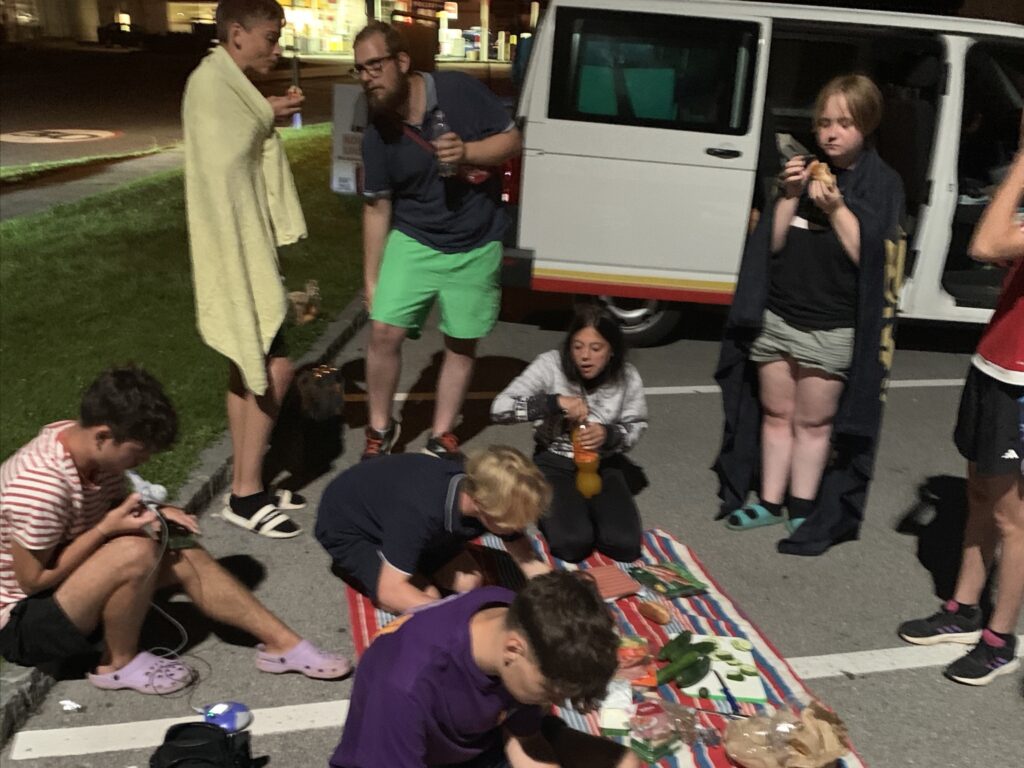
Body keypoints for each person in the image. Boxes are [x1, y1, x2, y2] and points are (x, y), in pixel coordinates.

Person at [0, 367, 351, 694]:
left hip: (65, 588)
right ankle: (117, 665)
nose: (141, 464)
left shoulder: (89, 449)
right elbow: (32, 580)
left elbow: (106, 506)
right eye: (137, 455)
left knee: (176, 544)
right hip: (23, 621)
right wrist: (107, 530)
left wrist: (156, 512)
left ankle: (284, 645)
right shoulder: (41, 487)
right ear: (103, 436)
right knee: (134, 552)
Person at [713, 74, 906, 556]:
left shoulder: (882, 184)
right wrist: (788, 195)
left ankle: (803, 505)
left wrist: (839, 210)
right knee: (777, 414)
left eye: (845, 123)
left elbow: (876, 263)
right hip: (778, 315)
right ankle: (770, 501)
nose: (831, 133)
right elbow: (769, 246)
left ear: (867, 125)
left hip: (833, 325)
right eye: (824, 122)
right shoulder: (797, 169)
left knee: (814, 423)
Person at [354, 21, 523, 460]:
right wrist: (371, 280)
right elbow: (377, 207)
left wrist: (466, 152)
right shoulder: (377, 131)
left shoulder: (458, 91)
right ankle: (379, 428)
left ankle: (441, 434)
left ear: (402, 62)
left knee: (461, 340)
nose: (367, 77)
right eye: (360, 70)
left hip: (476, 238)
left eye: (375, 65)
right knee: (384, 333)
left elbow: (511, 140)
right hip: (415, 239)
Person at [897, 133, 1024, 686]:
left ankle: (1000, 638)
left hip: (1021, 380)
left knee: (1012, 519)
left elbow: (987, 243)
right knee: (977, 495)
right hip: (996, 362)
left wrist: (1021, 163)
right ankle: (965, 608)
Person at [183, 0, 308, 539]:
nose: (275, 48)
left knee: (248, 365)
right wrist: (269, 115)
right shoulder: (210, 86)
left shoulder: (231, 86)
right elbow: (224, 161)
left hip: (247, 247)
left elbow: (242, 143)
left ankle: (245, 479)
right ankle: (245, 493)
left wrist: (265, 113)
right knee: (275, 368)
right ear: (237, 33)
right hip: (235, 254)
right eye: (270, 36)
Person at [328, 571, 641, 768]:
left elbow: (526, 738)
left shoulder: (517, 617)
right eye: (550, 689)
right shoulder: (404, 686)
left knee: (624, 762)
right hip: (415, 757)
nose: (556, 702)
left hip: (485, 739)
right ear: (513, 649)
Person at [491, 306, 647, 563]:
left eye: (596, 349)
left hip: (603, 464)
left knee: (624, 545)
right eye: (577, 347)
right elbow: (499, 409)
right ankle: (559, 508)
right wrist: (553, 403)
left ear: (612, 351)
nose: (585, 356)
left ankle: (590, 511)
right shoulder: (550, 364)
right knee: (572, 544)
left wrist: (608, 434)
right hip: (554, 463)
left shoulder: (627, 376)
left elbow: (636, 425)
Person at [315, 447, 552, 614]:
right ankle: (374, 563)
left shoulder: (483, 492)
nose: (519, 528)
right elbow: (389, 591)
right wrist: (463, 621)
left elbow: (524, 554)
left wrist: (553, 593)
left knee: (470, 582)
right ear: (480, 504)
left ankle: (408, 558)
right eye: (513, 522)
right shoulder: (421, 511)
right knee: (428, 600)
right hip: (351, 527)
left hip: (401, 514)